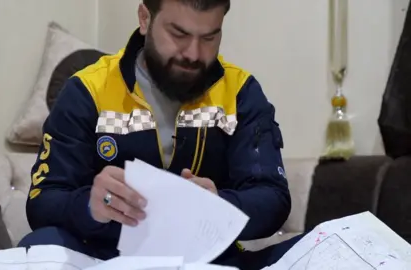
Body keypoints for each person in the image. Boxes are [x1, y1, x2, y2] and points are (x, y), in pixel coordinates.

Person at [18, 0, 304, 269]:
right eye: (178, 34)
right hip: (104, 256)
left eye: (209, 38)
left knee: (320, 247)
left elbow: (273, 197)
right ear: (145, 18)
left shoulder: (241, 91)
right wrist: (91, 206)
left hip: (209, 260)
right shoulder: (87, 90)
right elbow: (43, 202)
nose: (193, 54)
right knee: (39, 248)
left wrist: (220, 204)